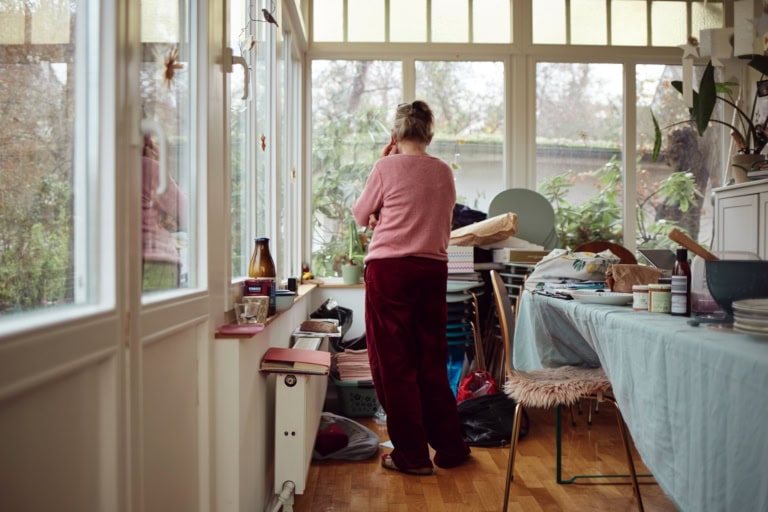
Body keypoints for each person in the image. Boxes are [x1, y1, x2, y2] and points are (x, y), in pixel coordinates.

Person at [352, 100, 470, 475]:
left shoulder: (385, 167)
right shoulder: (444, 172)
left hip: (389, 272)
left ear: (396, 134)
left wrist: (386, 166)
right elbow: (438, 219)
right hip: (432, 271)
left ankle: (412, 456)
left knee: (394, 364)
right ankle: (451, 448)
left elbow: (360, 213)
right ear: (429, 135)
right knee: (430, 361)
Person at [142, 134, 187, 291]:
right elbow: (186, 213)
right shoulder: (149, 167)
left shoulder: (106, 168)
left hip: (118, 261)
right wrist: (157, 163)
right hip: (158, 258)